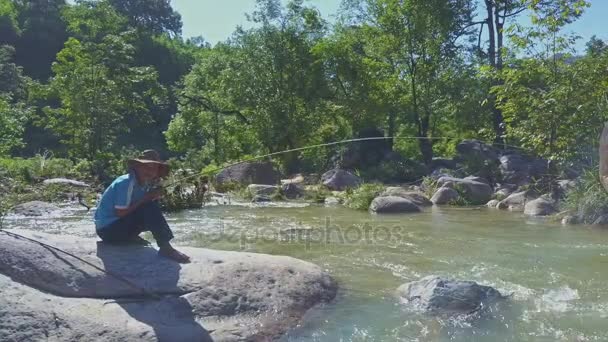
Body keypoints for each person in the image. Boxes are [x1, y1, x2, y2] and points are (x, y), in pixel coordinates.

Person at [94, 150, 190, 263]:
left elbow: (141, 211)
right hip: (107, 231)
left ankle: (130, 237)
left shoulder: (144, 184)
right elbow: (120, 213)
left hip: (118, 227)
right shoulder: (126, 183)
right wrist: (146, 198)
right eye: (146, 167)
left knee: (151, 205)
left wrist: (154, 195)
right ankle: (165, 247)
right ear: (137, 167)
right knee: (149, 206)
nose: (150, 171)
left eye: (154, 168)